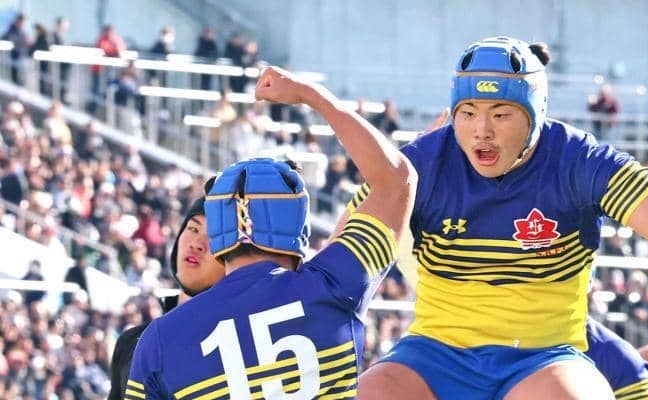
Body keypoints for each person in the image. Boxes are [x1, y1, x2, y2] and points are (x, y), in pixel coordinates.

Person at [347, 36, 648, 400]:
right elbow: (340, 255)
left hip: (542, 357)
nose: (481, 131)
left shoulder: (581, 162)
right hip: (434, 353)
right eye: (468, 112)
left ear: (535, 114)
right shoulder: (421, 163)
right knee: (371, 391)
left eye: (501, 114)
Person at [125, 66, 416, 399]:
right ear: (298, 226)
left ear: (220, 234)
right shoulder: (336, 284)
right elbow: (398, 180)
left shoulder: (160, 339)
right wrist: (310, 95)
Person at [107, 196, 223, 400]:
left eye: (213, 237)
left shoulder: (235, 343)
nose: (197, 244)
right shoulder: (131, 342)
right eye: (193, 229)